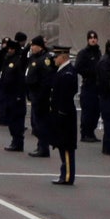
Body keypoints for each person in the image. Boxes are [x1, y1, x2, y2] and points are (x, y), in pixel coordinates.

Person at [48, 44, 79, 184]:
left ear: (63, 57)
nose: (54, 59)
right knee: (62, 144)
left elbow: (66, 96)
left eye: (56, 57)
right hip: (60, 113)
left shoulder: (67, 73)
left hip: (64, 115)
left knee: (66, 146)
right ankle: (64, 173)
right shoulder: (62, 70)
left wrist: (61, 113)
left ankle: (67, 175)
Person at [0, 33, 27, 152]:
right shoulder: (7, 59)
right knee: (11, 120)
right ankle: (14, 140)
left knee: (17, 120)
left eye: (11, 48)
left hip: (16, 95)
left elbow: (20, 79)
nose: (9, 50)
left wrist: (19, 95)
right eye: (8, 48)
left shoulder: (19, 61)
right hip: (8, 93)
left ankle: (18, 142)